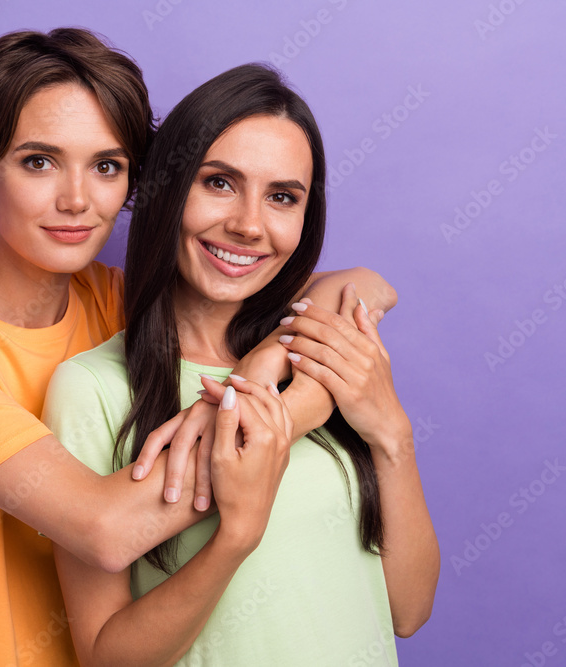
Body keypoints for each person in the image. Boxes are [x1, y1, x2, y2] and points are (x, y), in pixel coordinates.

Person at [0, 29, 398, 666]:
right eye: (38, 161)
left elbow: (362, 286)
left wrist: (260, 365)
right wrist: (267, 417)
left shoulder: (122, 302)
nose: (77, 200)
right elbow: (107, 531)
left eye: (106, 166)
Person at [43, 63, 439, 666]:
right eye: (220, 183)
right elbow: (106, 657)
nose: (250, 225)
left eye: (282, 197)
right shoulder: (92, 389)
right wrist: (235, 539)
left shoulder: (320, 358)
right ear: (166, 191)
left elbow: (409, 610)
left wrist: (392, 435)